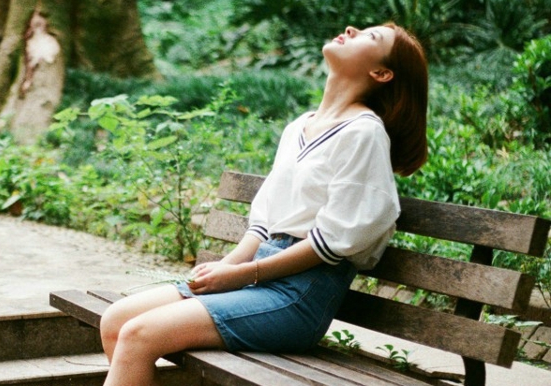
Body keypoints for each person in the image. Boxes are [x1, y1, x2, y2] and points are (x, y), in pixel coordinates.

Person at [99, 23, 429, 386]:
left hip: (298, 296)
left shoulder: (364, 134)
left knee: (139, 334)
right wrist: (222, 271)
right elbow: (264, 223)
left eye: (370, 36)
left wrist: (241, 275)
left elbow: (333, 244)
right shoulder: (299, 127)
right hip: (259, 276)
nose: (351, 29)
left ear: (381, 73)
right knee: (115, 321)